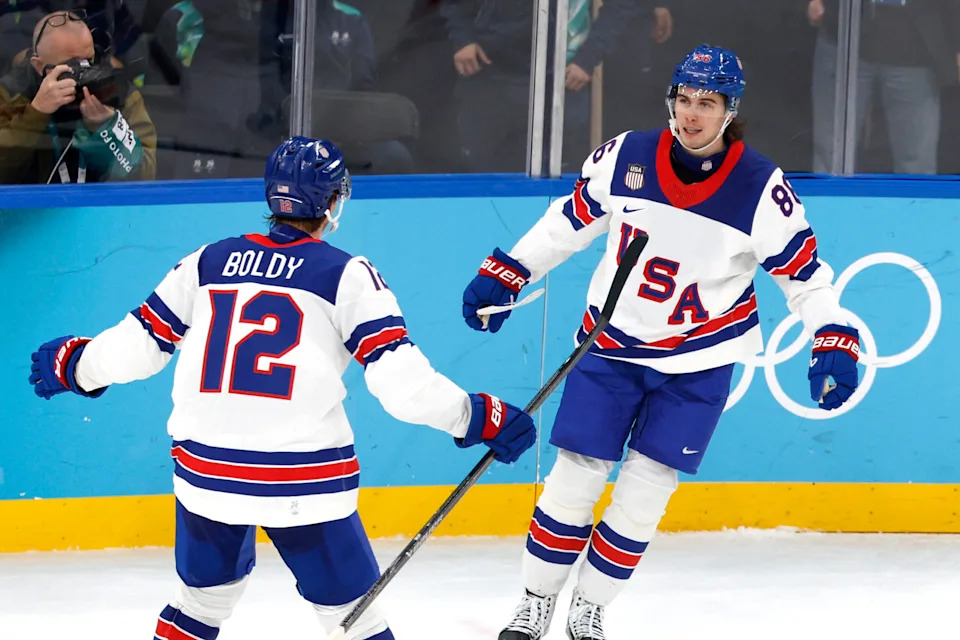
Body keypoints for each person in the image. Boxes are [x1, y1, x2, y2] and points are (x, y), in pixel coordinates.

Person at [27, 136, 536, 640]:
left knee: (198, 606)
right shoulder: (347, 274)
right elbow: (402, 385)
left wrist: (76, 366)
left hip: (207, 477)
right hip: (303, 482)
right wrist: (476, 416)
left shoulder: (207, 261)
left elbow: (138, 347)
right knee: (352, 617)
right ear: (334, 201)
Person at [460, 44, 862, 640]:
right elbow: (567, 223)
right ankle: (535, 600)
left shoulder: (760, 189)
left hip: (699, 362)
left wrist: (833, 335)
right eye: (683, 99)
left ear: (730, 110)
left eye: (707, 102)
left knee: (644, 495)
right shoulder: (626, 155)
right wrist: (509, 269)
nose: (691, 114)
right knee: (573, 480)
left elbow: (805, 278)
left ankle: (590, 607)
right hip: (611, 346)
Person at [440, 0, 671, 172]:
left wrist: (588, 58)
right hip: (492, 69)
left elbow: (621, 7)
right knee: (484, 170)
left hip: (565, 80)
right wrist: (462, 37)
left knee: (561, 175)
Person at [0, 10, 155, 184]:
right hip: (32, 207)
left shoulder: (116, 90)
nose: (82, 72)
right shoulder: (11, 93)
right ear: (39, 65)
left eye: (88, 61)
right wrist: (35, 113)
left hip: (98, 207)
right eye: (71, 65)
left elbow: (145, 176)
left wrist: (107, 130)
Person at [808, 0, 960, 174]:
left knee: (916, 162)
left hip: (915, 49)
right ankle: (827, 201)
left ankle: (913, 202)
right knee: (831, 156)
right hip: (844, 39)